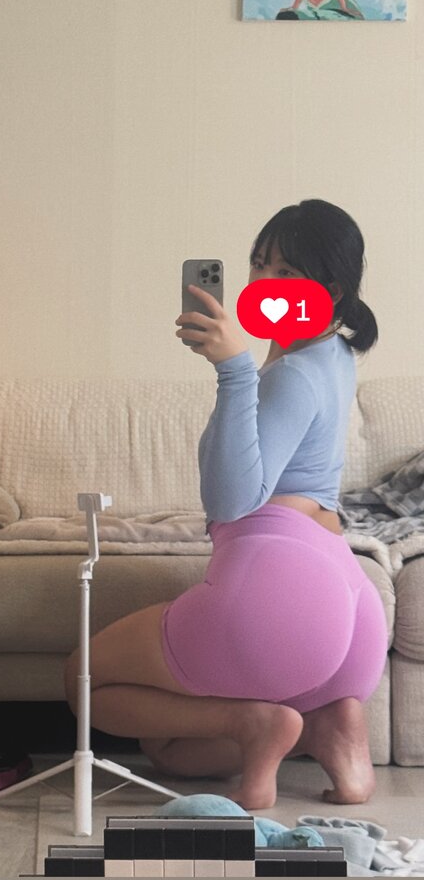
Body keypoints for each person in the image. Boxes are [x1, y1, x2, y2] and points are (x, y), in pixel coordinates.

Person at [64, 199, 387, 810]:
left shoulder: (290, 374)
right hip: (347, 601)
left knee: (85, 679)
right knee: (172, 752)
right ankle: (324, 724)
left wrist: (234, 370)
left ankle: (258, 725)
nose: (264, 282)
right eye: (258, 264)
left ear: (331, 289)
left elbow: (234, 499)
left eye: (286, 272)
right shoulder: (333, 355)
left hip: (276, 591)